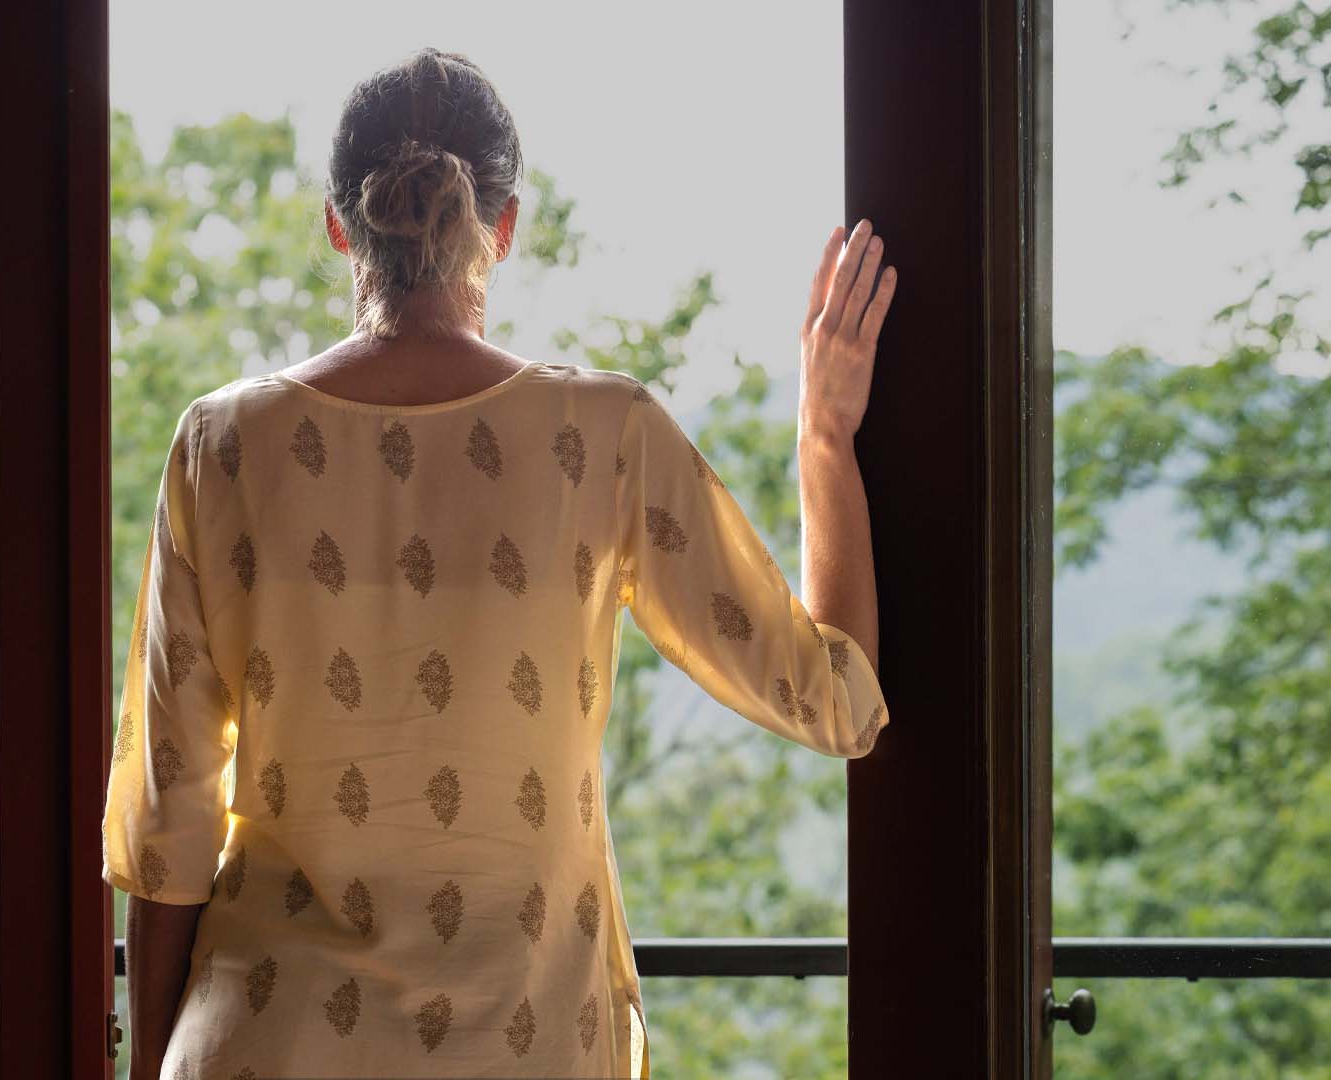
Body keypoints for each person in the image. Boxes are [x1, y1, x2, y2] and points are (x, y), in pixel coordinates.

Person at [100, 45, 896, 1080]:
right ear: (504, 226)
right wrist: (825, 437)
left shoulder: (222, 445)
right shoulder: (603, 436)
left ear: (338, 227)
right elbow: (837, 701)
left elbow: (169, 831)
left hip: (262, 1043)